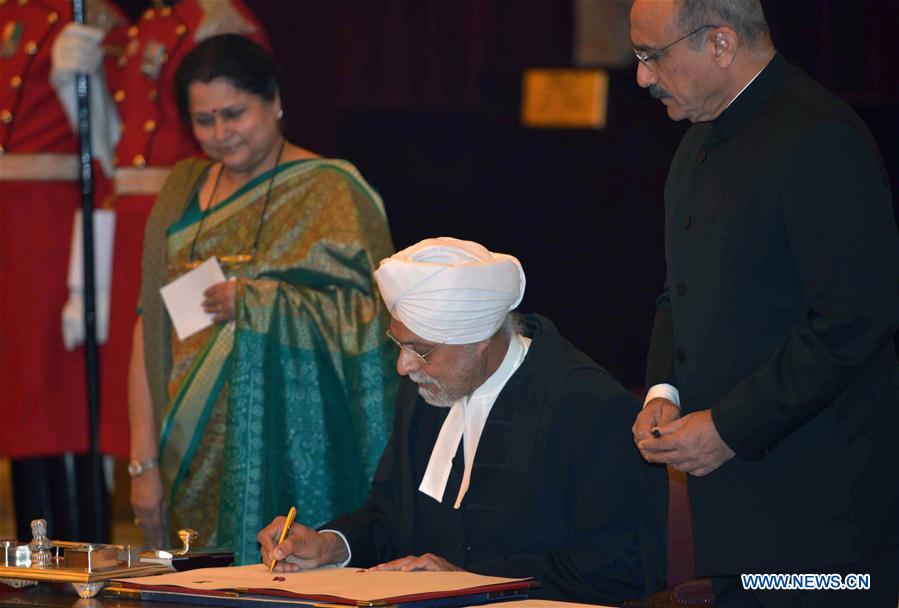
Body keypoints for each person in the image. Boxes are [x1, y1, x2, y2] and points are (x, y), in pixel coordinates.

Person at [629, 1, 899, 607]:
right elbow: (682, 292)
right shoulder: (696, 142)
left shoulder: (819, 135)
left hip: (819, 519)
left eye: (653, 56)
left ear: (720, 43)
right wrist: (662, 392)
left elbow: (854, 320)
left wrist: (729, 425)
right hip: (734, 510)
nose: (642, 77)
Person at [258, 237, 668, 605]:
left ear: (480, 339)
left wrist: (475, 582)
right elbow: (389, 516)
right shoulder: (425, 388)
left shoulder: (590, 407)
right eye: (399, 344)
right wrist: (329, 545)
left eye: (420, 350)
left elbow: (621, 567)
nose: (403, 366)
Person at [128, 34, 397, 564]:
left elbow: (379, 323)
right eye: (204, 120)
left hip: (296, 455)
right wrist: (143, 465)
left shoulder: (332, 190)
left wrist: (258, 304)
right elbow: (149, 327)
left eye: (235, 113)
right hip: (188, 454)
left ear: (274, 100)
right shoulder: (181, 192)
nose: (220, 133)